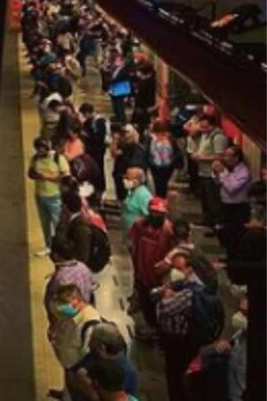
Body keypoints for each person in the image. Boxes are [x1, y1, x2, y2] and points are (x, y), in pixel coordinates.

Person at [156, 251, 222, 401]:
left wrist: (166, 295)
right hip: (194, 339)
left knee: (176, 377)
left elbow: (164, 307)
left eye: (181, 268)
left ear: (190, 270)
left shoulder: (190, 293)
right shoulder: (205, 288)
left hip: (179, 341)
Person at [128, 196, 175, 334]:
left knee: (159, 304)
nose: (156, 216)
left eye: (160, 213)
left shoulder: (168, 230)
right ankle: (150, 326)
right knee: (145, 301)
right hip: (142, 272)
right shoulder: (139, 225)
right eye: (154, 212)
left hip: (159, 276)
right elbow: (132, 244)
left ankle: (158, 329)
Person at [48, 284, 103, 399]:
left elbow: (89, 356)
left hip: (77, 372)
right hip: (70, 367)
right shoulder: (73, 313)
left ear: (77, 301)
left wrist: (79, 375)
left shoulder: (90, 324)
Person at [68, 323, 138, 401]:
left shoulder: (128, 372)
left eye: (92, 339)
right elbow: (71, 373)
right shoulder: (94, 356)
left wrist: (91, 392)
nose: (89, 344)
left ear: (102, 347)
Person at [29, 136, 70, 256]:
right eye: (38, 149)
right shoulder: (35, 159)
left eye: (42, 149)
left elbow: (66, 176)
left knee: (57, 223)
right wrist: (39, 176)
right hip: (40, 195)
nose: (39, 151)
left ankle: (61, 247)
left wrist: (51, 178)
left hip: (55, 196)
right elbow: (30, 173)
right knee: (45, 223)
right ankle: (49, 246)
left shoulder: (58, 158)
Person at [191, 114, 229, 235]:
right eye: (201, 126)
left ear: (212, 125)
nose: (202, 129)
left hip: (212, 174)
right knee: (205, 199)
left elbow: (219, 156)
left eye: (205, 127)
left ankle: (217, 225)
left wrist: (201, 157)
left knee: (213, 200)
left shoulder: (218, 137)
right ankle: (207, 221)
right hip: (202, 172)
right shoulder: (204, 135)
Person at [45, 235, 94, 322]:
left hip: (68, 319)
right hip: (85, 312)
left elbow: (52, 302)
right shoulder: (83, 267)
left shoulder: (60, 278)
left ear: (56, 256)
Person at [212, 145, 251, 254]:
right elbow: (217, 183)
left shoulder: (243, 172)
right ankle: (228, 255)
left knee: (235, 235)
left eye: (228, 156)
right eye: (224, 155)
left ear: (236, 158)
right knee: (225, 233)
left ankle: (235, 257)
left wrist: (222, 173)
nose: (225, 158)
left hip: (238, 208)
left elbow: (231, 188)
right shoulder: (227, 169)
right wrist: (216, 173)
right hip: (226, 205)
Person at [79, 103, 107, 203]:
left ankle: (99, 192)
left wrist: (87, 135)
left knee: (98, 171)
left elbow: (99, 138)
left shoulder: (98, 122)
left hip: (97, 151)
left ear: (87, 112)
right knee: (91, 172)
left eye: (84, 114)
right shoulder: (89, 121)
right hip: (91, 151)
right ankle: (93, 191)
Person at [111, 125, 146, 202]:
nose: (126, 135)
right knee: (121, 195)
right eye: (124, 133)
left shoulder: (138, 147)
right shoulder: (122, 145)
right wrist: (115, 140)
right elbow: (114, 153)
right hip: (120, 173)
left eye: (127, 133)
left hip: (132, 174)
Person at [56, 191, 93, 264]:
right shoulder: (70, 222)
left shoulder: (81, 228)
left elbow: (83, 257)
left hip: (73, 267)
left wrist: (61, 226)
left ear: (65, 207)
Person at [147, 119, 179, 198]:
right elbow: (148, 151)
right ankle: (160, 199)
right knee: (158, 184)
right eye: (158, 132)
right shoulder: (151, 139)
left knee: (163, 184)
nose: (160, 135)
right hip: (155, 166)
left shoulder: (170, 138)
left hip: (168, 166)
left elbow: (175, 151)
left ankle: (162, 199)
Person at [120, 167, 152, 238]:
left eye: (128, 178)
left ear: (136, 181)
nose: (124, 180)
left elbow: (149, 217)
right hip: (128, 234)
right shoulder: (131, 191)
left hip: (138, 236)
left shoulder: (144, 195)